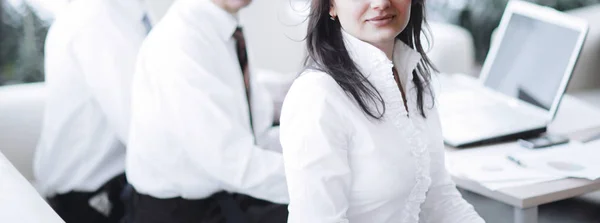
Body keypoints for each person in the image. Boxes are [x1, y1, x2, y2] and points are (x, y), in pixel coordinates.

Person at [279, 0, 486, 222]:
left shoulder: (412, 75)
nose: (381, 3)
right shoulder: (317, 96)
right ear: (330, 5)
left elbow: (438, 197)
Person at [125, 0, 289, 222]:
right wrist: (327, 179)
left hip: (223, 195)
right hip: (181, 213)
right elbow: (232, 162)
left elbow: (256, 132)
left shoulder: (221, 28)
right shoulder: (179, 43)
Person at [35, 0, 152, 222]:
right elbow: (139, 127)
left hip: (101, 188)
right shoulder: (99, 17)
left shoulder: (121, 12)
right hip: (91, 200)